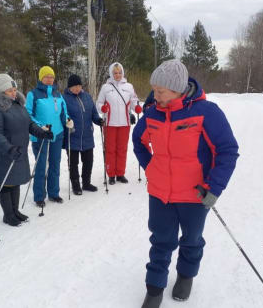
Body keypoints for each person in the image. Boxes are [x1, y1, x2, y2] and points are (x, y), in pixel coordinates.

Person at [132, 59, 239, 308]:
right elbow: (138, 142)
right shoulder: (152, 114)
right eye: (154, 89)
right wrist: (150, 166)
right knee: (161, 240)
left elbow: (227, 151)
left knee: (191, 239)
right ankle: (155, 287)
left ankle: (186, 275)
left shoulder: (206, 112)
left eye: (160, 91)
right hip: (160, 194)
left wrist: (214, 187)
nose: (154, 95)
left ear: (178, 89)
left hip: (195, 195)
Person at [0, 74, 53, 227]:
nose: (14, 93)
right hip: (3, 151)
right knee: (6, 182)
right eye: (10, 90)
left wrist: (42, 133)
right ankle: (8, 215)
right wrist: (8, 148)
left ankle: (15, 211)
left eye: (15, 89)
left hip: (18, 149)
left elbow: (29, 125)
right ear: (2, 91)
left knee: (15, 181)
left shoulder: (18, 105)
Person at [25, 66, 73, 207]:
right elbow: (28, 114)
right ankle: (39, 196)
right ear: (41, 78)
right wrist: (40, 127)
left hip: (57, 134)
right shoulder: (33, 94)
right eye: (46, 76)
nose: (49, 79)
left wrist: (68, 120)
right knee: (41, 166)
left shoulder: (58, 94)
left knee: (55, 164)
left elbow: (64, 112)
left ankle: (54, 193)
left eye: (51, 77)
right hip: (41, 135)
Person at [96, 62, 142, 185]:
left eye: (120, 72)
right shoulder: (106, 87)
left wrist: (136, 107)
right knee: (110, 149)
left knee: (122, 149)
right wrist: (103, 108)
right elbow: (99, 103)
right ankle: (111, 174)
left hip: (124, 123)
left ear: (123, 73)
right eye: (115, 73)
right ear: (111, 73)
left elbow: (134, 101)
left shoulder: (129, 86)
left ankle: (120, 173)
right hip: (110, 123)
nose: (118, 75)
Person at [62, 74, 104, 195]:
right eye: (74, 86)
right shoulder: (64, 99)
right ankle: (75, 185)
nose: (77, 88)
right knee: (73, 163)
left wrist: (98, 120)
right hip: (72, 135)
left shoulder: (87, 97)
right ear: (69, 87)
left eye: (79, 86)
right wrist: (67, 121)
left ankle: (86, 183)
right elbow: (63, 115)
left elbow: (94, 114)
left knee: (89, 161)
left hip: (87, 135)